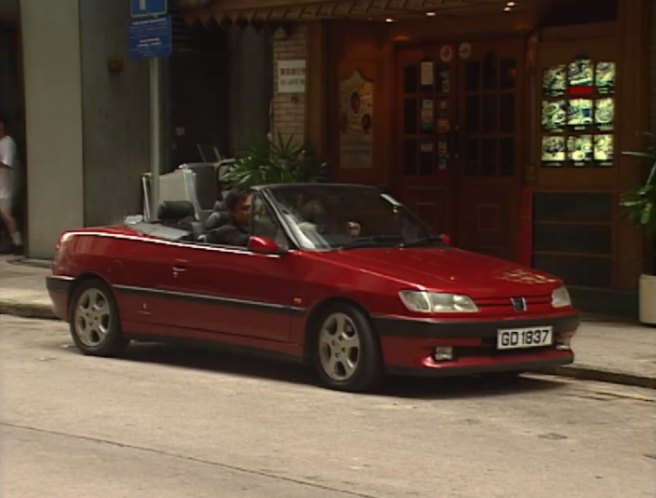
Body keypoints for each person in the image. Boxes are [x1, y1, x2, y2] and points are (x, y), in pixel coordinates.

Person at [0, 116, 22, 254]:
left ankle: (17, 243)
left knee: (8, 216)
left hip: (6, 187)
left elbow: (7, 164)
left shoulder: (8, 143)